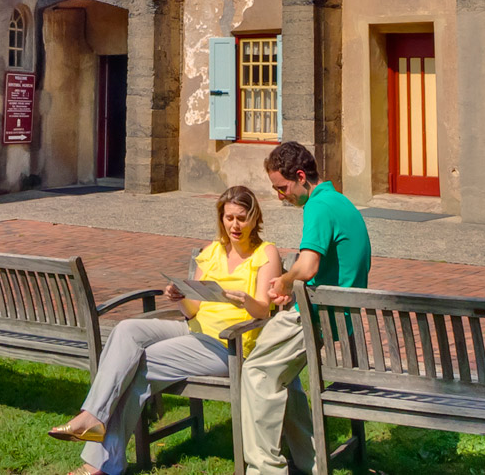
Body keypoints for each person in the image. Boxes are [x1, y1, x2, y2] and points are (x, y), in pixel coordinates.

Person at [48, 186, 279, 475]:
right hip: (193, 331)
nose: (234, 225)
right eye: (228, 218)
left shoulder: (265, 253)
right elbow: (193, 310)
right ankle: (93, 416)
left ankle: (101, 463)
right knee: (127, 330)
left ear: (254, 218)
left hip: (228, 346)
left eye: (241, 218)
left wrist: (246, 300)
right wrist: (180, 297)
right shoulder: (213, 251)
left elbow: (265, 312)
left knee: (138, 364)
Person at [241, 141, 372, 475]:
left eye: (282, 188)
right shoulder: (340, 202)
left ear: (301, 176)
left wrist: (285, 282)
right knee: (282, 378)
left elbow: (309, 265)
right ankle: (309, 461)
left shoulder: (318, 206)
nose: (280, 196)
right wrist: (292, 285)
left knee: (255, 372)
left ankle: (264, 470)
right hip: (338, 315)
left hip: (317, 317)